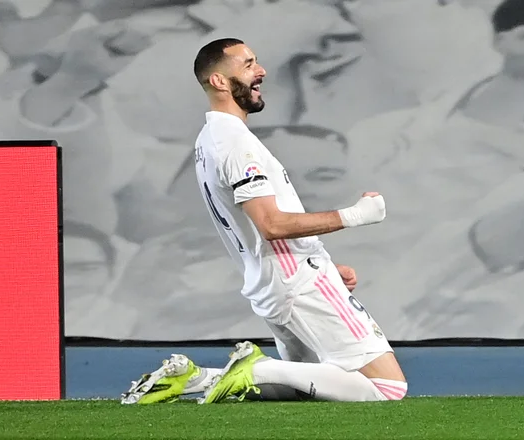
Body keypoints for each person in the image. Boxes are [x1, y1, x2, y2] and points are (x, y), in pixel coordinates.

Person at [121, 38, 407, 405]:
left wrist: (324, 266)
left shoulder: (212, 139)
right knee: (388, 388)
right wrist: (356, 216)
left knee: (308, 387)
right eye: (248, 64)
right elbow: (270, 225)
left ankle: (194, 380)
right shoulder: (235, 144)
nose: (261, 71)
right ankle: (255, 369)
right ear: (220, 82)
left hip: (275, 281)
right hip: (298, 280)